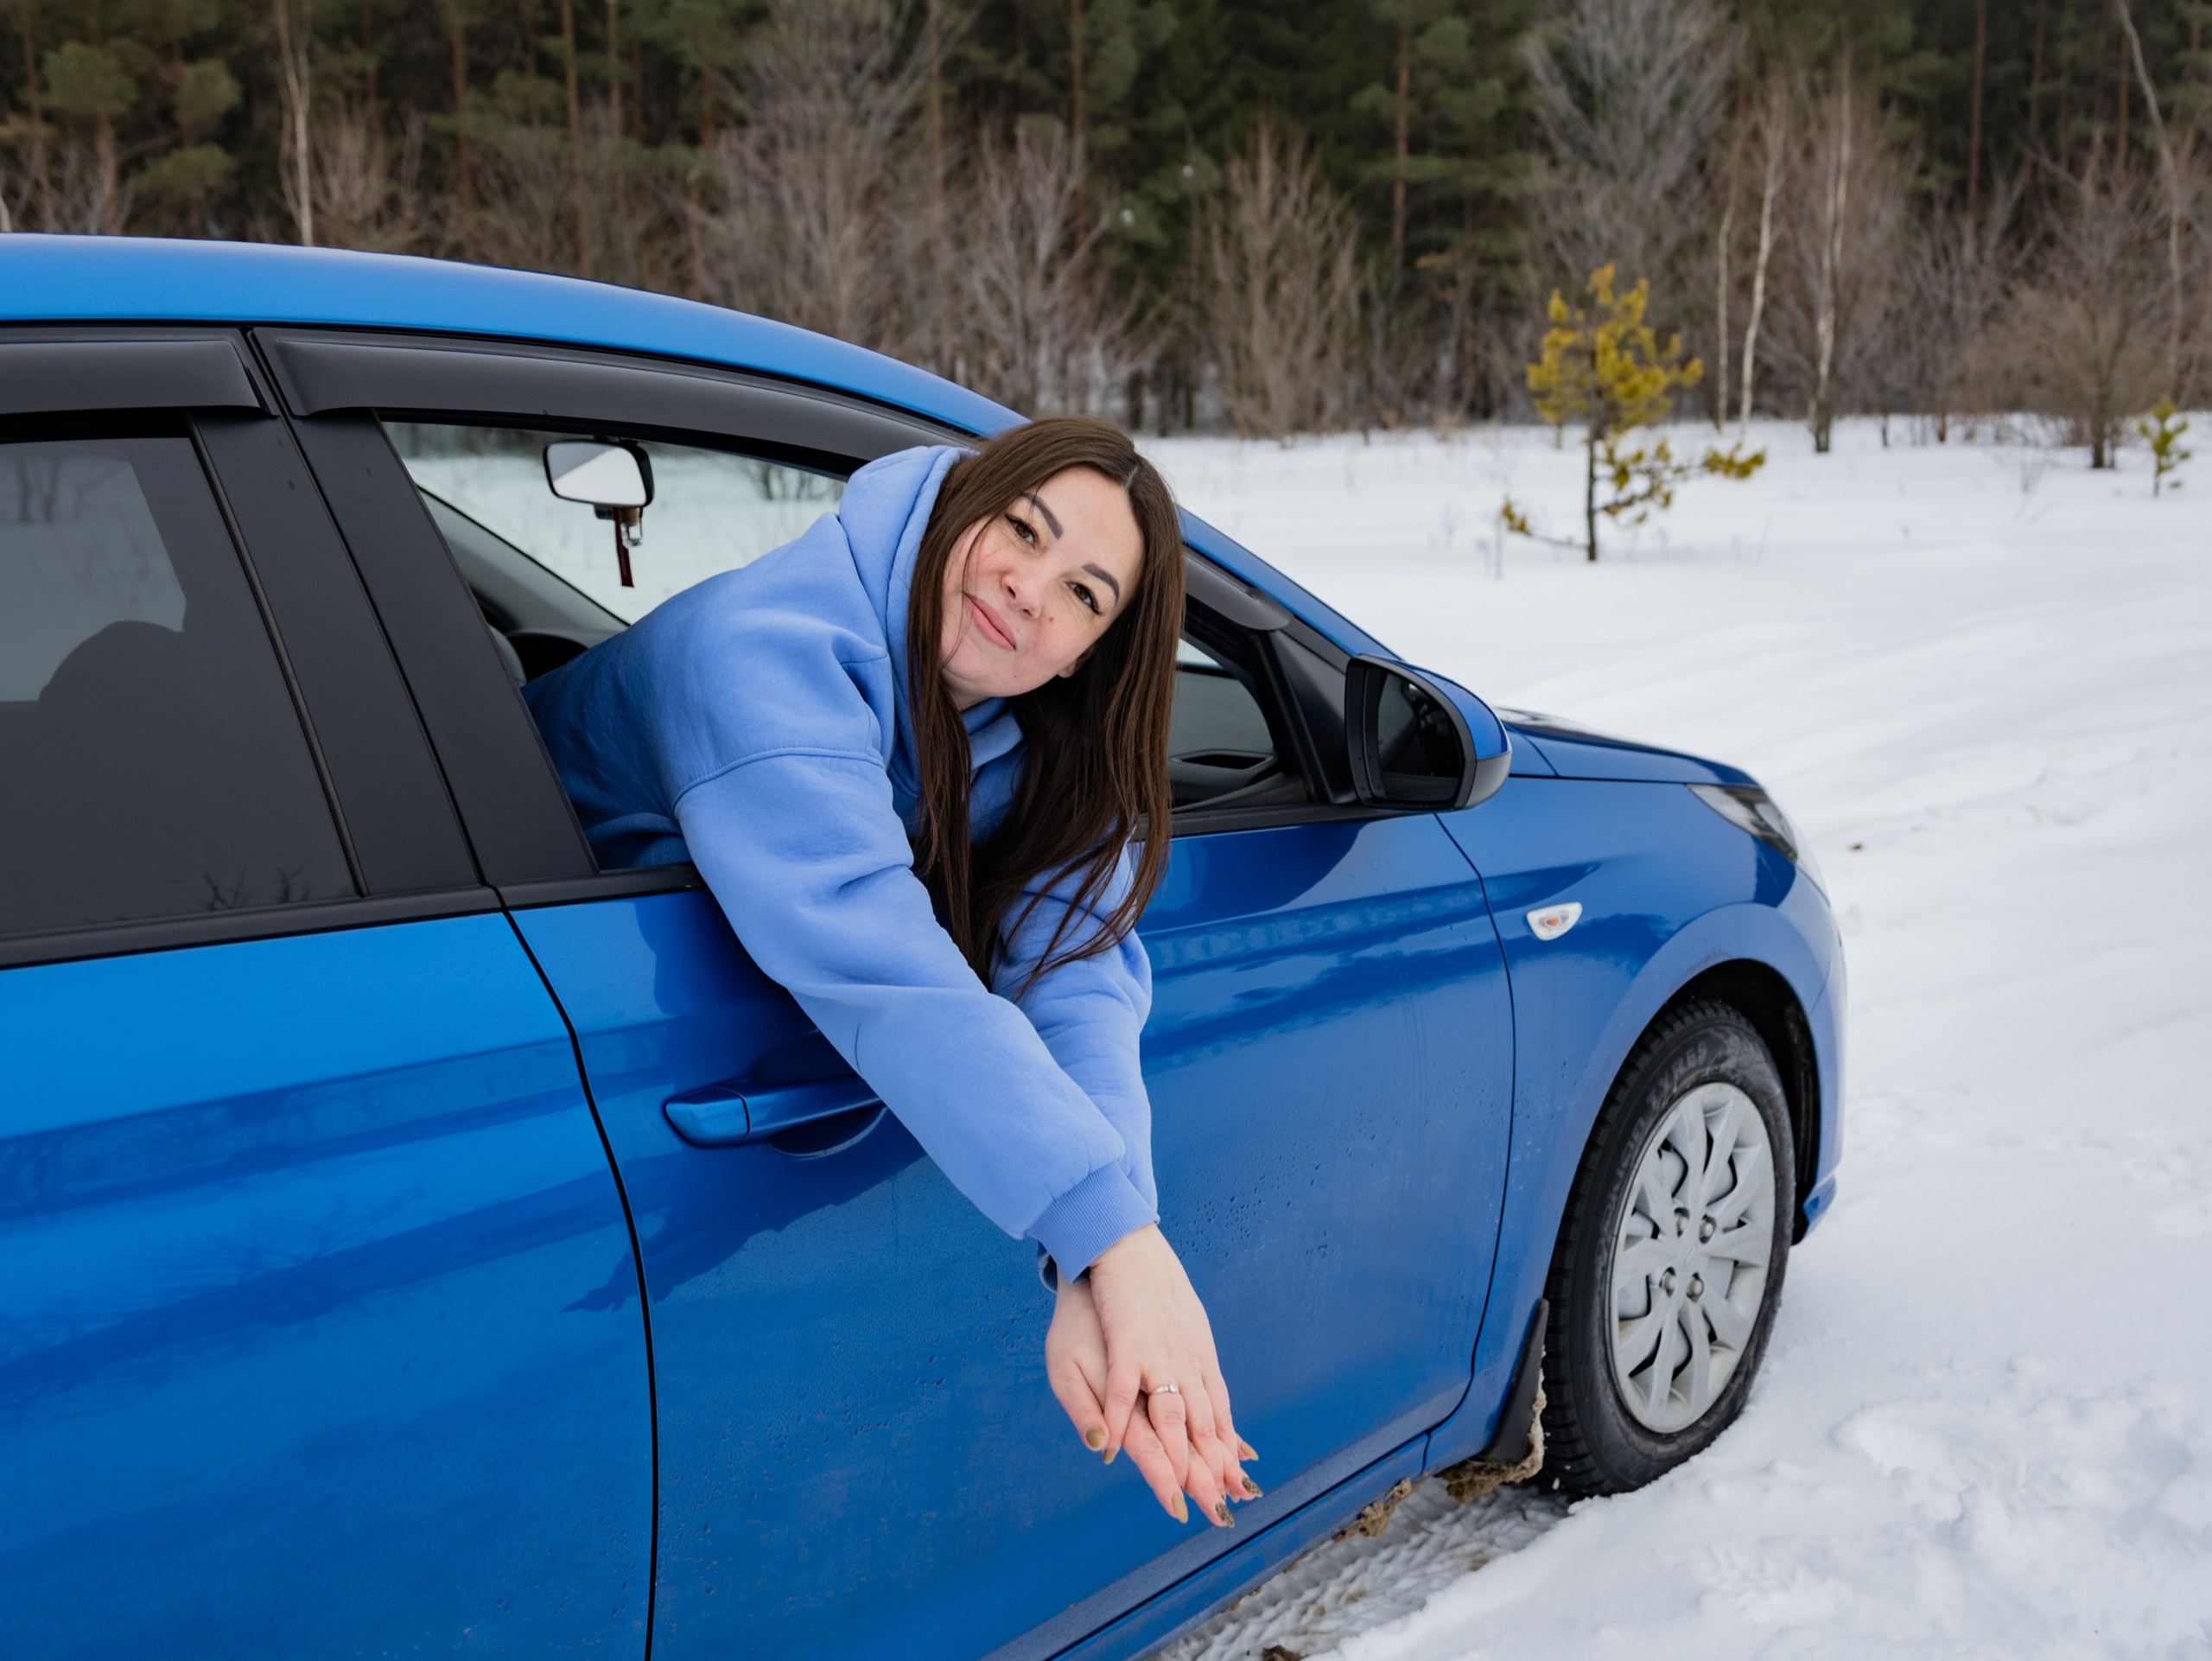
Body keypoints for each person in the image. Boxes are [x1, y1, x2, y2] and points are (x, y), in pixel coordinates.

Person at [524, 415, 1255, 1529]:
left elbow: (1077, 973)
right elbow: (889, 970)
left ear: (1087, 656)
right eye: (1022, 529)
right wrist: (1107, 1234)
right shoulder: (761, 655)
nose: (1028, 590)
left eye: (1083, 594)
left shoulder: (1011, 726)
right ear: (960, 503)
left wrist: (1107, 1259)